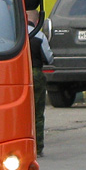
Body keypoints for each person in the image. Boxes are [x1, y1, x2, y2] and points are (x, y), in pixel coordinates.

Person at [28, 11, 52, 157]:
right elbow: (49, 58)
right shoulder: (39, 35)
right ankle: (37, 146)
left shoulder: (14, 34)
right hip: (35, 74)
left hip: (16, 75)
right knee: (37, 112)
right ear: (37, 22)